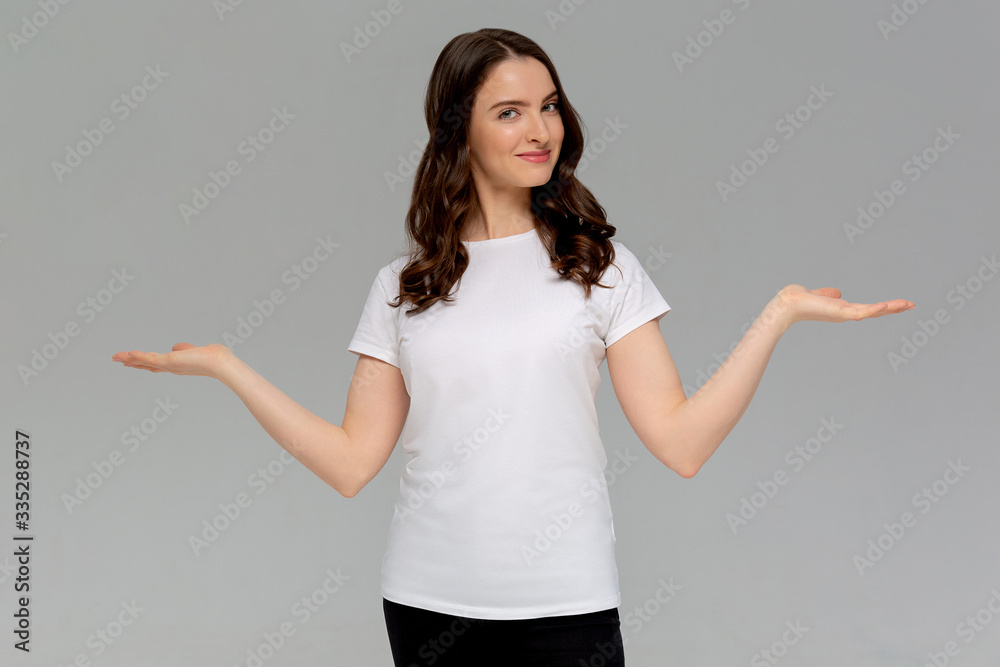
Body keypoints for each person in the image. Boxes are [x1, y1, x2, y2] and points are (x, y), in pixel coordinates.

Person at [111, 27, 914, 667]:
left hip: (567, 608)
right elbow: (354, 462)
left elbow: (682, 443)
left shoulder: (598, 266)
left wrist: (778, 313)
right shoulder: (406, 284)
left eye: (551, 105)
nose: (542, 130)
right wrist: (226, 367)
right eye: (511, 111)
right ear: (459, 129)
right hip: (426, 607)